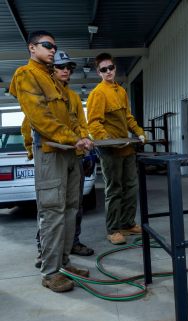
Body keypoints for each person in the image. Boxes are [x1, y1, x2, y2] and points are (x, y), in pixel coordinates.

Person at [10, 30, 93, 293]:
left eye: (54, 46)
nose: (53, 50)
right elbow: (39, 117)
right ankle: (49, 271)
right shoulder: (26, 75)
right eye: (47, 46)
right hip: (51, 151)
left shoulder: (53, 80)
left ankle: (64, 263)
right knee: (53, 212)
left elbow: (70, 117)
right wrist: (72, 138)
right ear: (32, 48)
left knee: (70, 209)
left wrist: (81, 138)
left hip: (68, 151)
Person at [28, 50, 95, 268]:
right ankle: (46, 255)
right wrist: (33, 153)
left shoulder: (72, 97)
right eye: (60, 67)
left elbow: (80, 125)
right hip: (52, 156)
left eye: (68, 67)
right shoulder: (43, 93)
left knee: (71, 208)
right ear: (51, 70)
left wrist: (84, 143)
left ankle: (64, 257)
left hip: (73, 157)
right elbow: (30, 125)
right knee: (52, 210)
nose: (65, 70)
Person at [87, 53, 145, 245]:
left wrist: (138, 132)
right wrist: (108, 140)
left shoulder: (120, 91)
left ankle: (127, 223)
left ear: (115, 68)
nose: (108, 72)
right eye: (104, 69)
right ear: (99, 72)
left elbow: (128, 117)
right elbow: (94, 124)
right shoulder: (98, 93)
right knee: (114, 190)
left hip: (126, 148)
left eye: (110, 68)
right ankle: (113, 230)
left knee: (131, 187)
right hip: (110, 150)